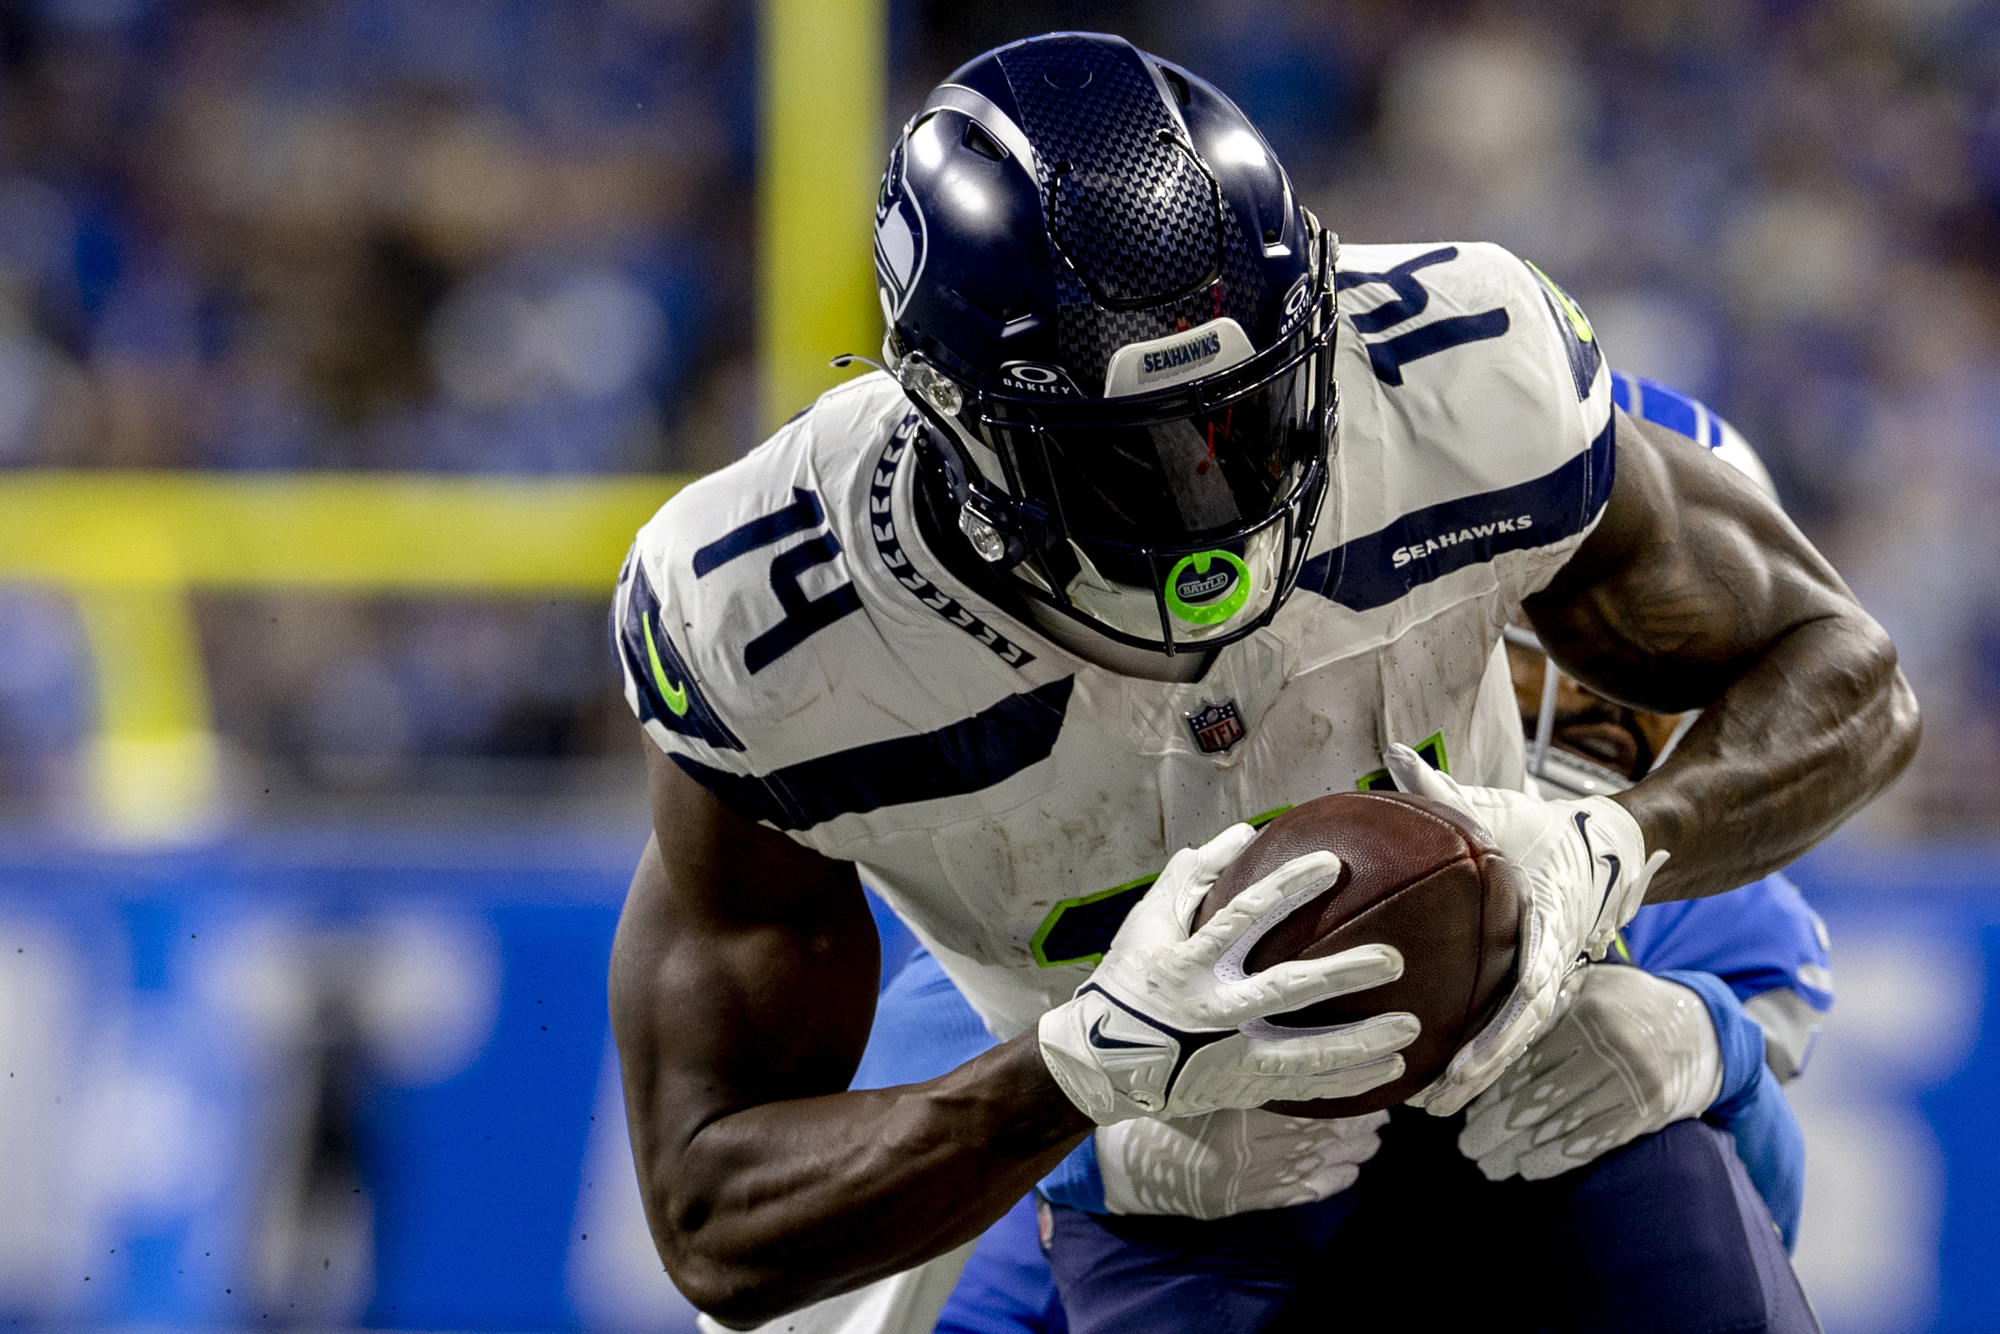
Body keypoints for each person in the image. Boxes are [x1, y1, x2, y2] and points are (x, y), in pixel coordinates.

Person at [606, 32, 1916, 1334]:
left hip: (1512, 1079)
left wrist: (1624, 853)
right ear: (951, 418)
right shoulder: (772, 620)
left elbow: (1850, 674)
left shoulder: (1458, 387)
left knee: (1656, 1114)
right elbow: (719, 1224)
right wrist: (1078, 1080)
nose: (1212, 499)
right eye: (1133, 458)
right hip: (1158, 1200)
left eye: (1253, 412)